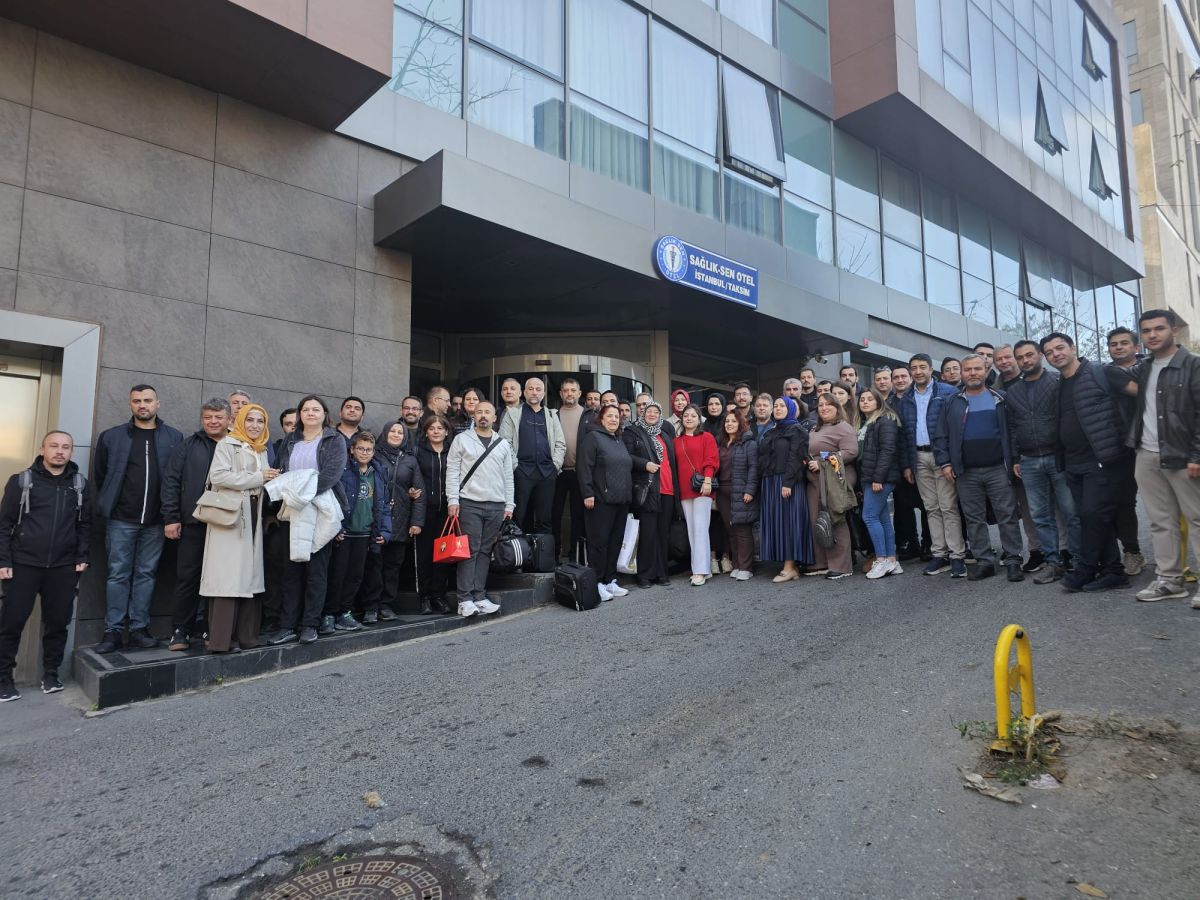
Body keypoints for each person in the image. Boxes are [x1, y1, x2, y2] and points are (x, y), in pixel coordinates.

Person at [92, 384, 184, 653]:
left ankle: (140, 628)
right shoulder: (112, 437)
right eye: (137, 401)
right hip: (121, 519)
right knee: (118, 574)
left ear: (158, 403)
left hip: (157, 522)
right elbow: (102, 476)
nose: (142, 405)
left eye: (147, 400)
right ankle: (113, 631)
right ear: (130, 405)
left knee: (146, 574)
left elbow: (177, 479)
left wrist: (171, 516)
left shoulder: (173, 437)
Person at [0, 431, 91, 700]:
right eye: (54, 446)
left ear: (71, 452)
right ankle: (4, 678)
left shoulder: (80, 484)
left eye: (65, 447)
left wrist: (82, 557)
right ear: (43, 449)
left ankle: (51, 675)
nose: (59, 451)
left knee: (57, 623)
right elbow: (4, 525)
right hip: (23, 563)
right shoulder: (21, 482)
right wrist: (3, 560)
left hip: (63, 566)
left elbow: (85, 525)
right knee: (12, 622)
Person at [1040, 332, 1131, 593]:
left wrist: (1128, 440)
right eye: (1050, 352)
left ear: (1073, 348)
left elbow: (1138, 394)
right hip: (1073, 463)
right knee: (1092, 517)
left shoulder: (1101, 372)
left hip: (1101, 460)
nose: (1056, 354)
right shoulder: (1059, 384)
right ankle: (1113, 570)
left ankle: (1087, 568)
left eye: (1060, 348)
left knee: (1092, 514)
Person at [1128, 310, 1200, 605]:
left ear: (1174, 330)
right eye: (1146, 331)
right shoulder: (1145, 367)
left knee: (1197, 519)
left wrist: (1197, 454)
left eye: (1159, 328)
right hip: (1147, 453)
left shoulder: (1193, 365)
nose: (1152, 335)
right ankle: (1170, 581)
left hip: (1184, 455)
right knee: (1160, 521)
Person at [265, 395, 347, 645]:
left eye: (316, 409)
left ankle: (310, 624)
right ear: (300, 415)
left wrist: (303, 495)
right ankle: (287, 625)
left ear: (324, 413)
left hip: (319, 509)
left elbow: (332, 474)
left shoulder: (334, 439)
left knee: (316, 572)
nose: (311, 413)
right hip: (291, 510)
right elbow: (282, 471)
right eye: (306, 410)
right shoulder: (290, 440)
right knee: (290, 572)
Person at [933, 355, 1024, 582]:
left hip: (998, 469)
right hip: (966, 472)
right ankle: (985, 561)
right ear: (962, 373)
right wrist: (945, 463)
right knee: (974, 518)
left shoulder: (1000, 398)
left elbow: (1013, 432)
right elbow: (941, 435)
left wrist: (1014, 459)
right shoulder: (952, 402)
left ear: (986, 371)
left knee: (1007, 515)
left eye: (977, 369)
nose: (972, 373)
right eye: (968, 369)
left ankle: (1013, 560)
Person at [199, 404, 277, 653]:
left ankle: (247, 637)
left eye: (260, 421)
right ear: (240, 421)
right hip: (231, 517)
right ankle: (221, 641)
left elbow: (263, 480)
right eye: (250, 420)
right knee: (228, 577)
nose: (255, 425)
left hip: (253, 515)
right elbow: (218, 477)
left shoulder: (261, 449)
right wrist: (259, 478)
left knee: (250, 576)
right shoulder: (227, 444)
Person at [1006, 340, 1079, 585]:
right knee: (1040, 516)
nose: (1025, 360)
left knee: (1071, 512)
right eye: (1020, 357)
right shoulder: (1013, 391)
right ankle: (1053, 563)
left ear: (1040, 355)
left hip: (1058, 457)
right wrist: (1016, 457)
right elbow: (1013, 427)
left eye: (1029, 355)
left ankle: (1079, 561)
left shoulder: (1058, 382)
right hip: (1028, 460)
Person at [163, 398, 231, 652]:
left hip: (226, 525)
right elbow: (171, 481)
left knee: (217, 579)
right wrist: (171, 518)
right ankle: (180, 630)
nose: (213, 422)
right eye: (208, 418)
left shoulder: (237, 446)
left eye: (218, 417)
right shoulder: (188, 446)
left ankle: (210, 627)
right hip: (193, 522)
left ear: (229, 419)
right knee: (187, 577)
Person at [898, 355, 965, 577]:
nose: (918, 372)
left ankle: (957, 555)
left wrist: (949, 460)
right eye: (914, 368)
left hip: (941, 457)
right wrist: (908, 464)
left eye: (922, 367)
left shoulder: (947, 392)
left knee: (948, 507)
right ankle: (939, 553)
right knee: (931, 508)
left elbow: (955, 429)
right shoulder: (906, 397)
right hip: (918, 458)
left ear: (931, 369)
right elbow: (904, 434)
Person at [446, 401, 513, 617]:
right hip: (469, 503)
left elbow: (508, 477)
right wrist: (452, 500)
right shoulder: (462, 440)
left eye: (487, 412)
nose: (483, 416)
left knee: (485, 551)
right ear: (473, 416)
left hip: (495, 504)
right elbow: (452, 471)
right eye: (479, 412)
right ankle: (464, 599)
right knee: (470, 551)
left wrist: (509, 504)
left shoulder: (502, 444)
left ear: (495, 418)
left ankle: (480, 596)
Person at [322, 432, 391, 634]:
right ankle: (329, 614)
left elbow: (384, 505)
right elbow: (332, 501)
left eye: (368, 449)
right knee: (337, 575)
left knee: (355, 576)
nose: (364, 452)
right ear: (352, 449)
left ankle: (345, 612)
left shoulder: (378, 472)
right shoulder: (343, 471)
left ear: (373, 452)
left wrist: (385, 531)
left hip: (365, 533)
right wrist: (335, 528)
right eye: (360, 448)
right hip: (345, 533)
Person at [367, 421, 425, 619]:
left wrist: (416, 522)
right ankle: (370, 607)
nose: (396, 434)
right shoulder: (373, 454)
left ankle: (386, 605)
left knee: (392, 566)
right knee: (374, 565)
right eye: (392, 430)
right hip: (376, 519)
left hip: (400, 519)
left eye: (400, 432)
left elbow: (419, 492)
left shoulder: (410, 460)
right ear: (384, 432)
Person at [578, 405, 634, 601]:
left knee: (615, 543)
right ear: (600, 419)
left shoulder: (618, 439)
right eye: (609, 416)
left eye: (616, 417)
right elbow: (584, 467)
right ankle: (598, 583)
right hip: (600, 500)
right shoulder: (593, 438)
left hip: (621, 500)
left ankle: (611, 581)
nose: (613, 419)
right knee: (599, 544)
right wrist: (587, 493)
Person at [499, 376, 566, 535]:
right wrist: (515, 467)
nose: (534, 392)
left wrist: (555, 465)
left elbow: (560, 443)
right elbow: (504, 442)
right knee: (519, 517)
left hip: (547, 473)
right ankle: (519, 558)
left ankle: (543, 559)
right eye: (530, 389)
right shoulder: (513, 414)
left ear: (543, 393)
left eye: (538, 389)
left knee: (545, 519)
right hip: (522, 473)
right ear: (524, 392)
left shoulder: (551, 415)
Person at [624, 402, 678, 588]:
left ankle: (662, 573)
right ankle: (645, 575)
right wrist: (644, 464)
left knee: (663, 534)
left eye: (656, 411)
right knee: (648, 534)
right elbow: (627, 456)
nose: (653, 414)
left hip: (668, 489)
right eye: (649, 411)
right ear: (642, 413)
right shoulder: (633, 431)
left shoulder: (665, 434)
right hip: (648, 489)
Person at [1107, 326, 1146, 577]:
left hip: (1156, 442)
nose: (1118, 347)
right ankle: (1132, 552)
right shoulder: (1107, 372)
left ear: (1136, 347)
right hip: (1122, 445)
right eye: (1113, 344)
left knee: (1168, 507)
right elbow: (1145, 393)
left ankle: (1177, 561)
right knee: (1123, 502)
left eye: (1124, 343)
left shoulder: (1151, 366)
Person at [806, 394, 859, 579]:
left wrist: (822, 462)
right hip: (814, 482)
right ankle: (821, 563)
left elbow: (850, 452)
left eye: (828, 404)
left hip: (835, 479)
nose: (823, 407)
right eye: (820, 404)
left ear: (837, 406)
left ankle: (842, 566)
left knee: (836, 519)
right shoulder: (815, 428)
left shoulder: (843, 427)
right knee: (817, 520)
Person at [759, 397, 811, 581]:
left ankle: (790, 566)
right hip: (770, 482)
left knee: (789, 523)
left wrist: (788, 482)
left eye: (782, 406)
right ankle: (787, 565)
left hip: (787, 482)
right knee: (777, 523)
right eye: (776, 406)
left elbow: (797, 457)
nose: (778, 408)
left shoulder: (797, 430)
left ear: (790, 409)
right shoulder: (772, 430)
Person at [857, 389, 902, 579]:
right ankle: (892, 560)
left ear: (878, 402)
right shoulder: (869, 421)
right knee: (883, 519)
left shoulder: (885, 420)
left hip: (879, 478)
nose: (865, 402)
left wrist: (878, 478)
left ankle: (882, 559)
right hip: (870, 477)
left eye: (870, 399)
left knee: (869, 516)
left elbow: (887, 451)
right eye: (862, 399)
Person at [674, 404, 719, 586]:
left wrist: (708, 480)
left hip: (702, 488)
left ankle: (699, 571)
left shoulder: (706, 437)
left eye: (693, 415)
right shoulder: (677, 441)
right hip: (685, 490)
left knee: (700, 528)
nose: (689, 418)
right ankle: (703, 567)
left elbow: (711, 460)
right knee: (693, 530)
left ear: (699, 419)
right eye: (686, 415)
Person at [414, 415, 454, 613]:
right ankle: (425, 597)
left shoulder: (453, 451)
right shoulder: (418, 451)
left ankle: (439, 595)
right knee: (424, 554)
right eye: (432, 428)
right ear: (426, 432)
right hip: (425, 509)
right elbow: (412, 476)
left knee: (443, 554)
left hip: (448, 510)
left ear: (447, 431)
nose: (436, 431)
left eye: (440, 428)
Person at [716, 410, 759, 580]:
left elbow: (754, 469)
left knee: (743, 530)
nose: (729, 424)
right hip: (722, 492)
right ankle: (737, 565)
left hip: (741, 491)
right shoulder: (721, 443)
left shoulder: (749, 443)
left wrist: (750, 490)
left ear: (740, 423)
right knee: (731, 531)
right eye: (727, 421)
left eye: (733, 421)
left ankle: (746, 567)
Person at [553, 378, 588, 563]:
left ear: (579, 393)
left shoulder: (588, 415)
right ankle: (554, 555)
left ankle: (575, 556)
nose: (569, 393)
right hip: (557, 473)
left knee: (577, 516)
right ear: (560, 393)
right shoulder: (553, 415)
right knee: (555, 514)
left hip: (579, 473)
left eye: (573, 390)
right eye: (566, 390)